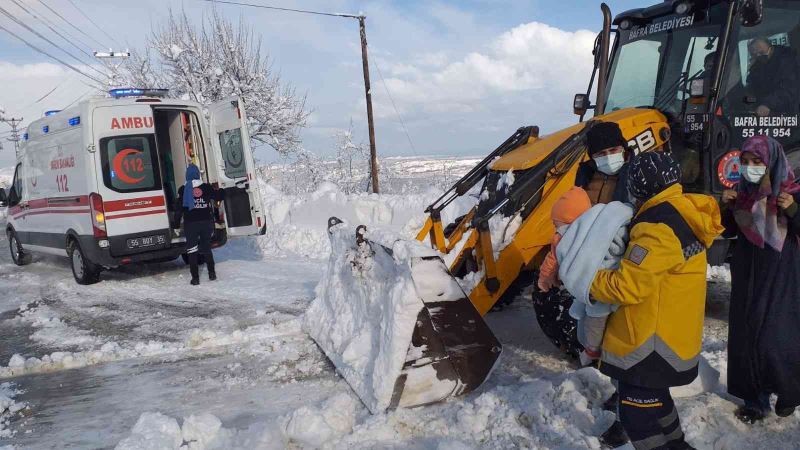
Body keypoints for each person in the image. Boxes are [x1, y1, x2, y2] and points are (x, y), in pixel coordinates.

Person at [590, 151, 723, 450]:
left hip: (650, 342)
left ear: (641, 188)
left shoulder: (657, 227)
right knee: (657, 403)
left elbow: (629, 286)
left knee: (638, 416)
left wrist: (590, 281)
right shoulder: (682, 212)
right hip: (670, 334)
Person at [720, 135, 800, 423]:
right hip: (747, 271)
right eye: (745, 162)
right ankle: (755, 400)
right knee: (747, 336)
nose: (750, 168)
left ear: (773, 162)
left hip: (781, 272)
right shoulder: (742, 193)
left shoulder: (791, 191)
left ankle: (789, 392)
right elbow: (728, 229)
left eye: (757, 162)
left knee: (777, 336)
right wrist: (725, 206)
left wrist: (793, 209)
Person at [175, 164, 225, 285]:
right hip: (206, 223)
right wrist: (223, 188)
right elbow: (219, 196)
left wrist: (176, 225)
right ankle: (212, 274)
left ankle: (195, 279)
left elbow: (178, 210)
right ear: (198, 174)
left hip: (191, 225)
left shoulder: (183, 190)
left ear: (187, 175)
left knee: (192, 250)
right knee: (206, 248)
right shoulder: (206, 188)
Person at [537, 187, 593, 292]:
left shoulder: (562, 237)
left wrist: (543, 279)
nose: (556, 228)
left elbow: (552, 260)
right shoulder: (592, 232)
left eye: (557, 223)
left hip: (570, 283)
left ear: (569, 220)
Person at [576, 121, 632, 205]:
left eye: (613, 150)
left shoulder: (638, 172)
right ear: (592, 156)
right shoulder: (585, 173)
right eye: (601, 153)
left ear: (623, 148)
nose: (608, 157)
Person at [746, 38, 800, 117]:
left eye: (761, 52)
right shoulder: (756, 67)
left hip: (791, 115)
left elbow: (789, 88)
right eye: (754, 54)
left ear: (771, 48)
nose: (758, 55)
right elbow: (752, 90)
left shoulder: (787, 60)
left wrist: (768, 104)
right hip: (765, 116)